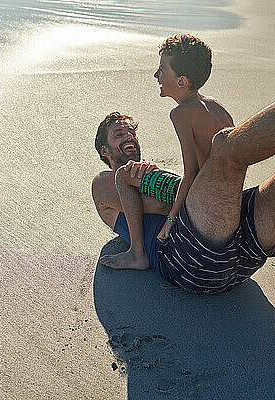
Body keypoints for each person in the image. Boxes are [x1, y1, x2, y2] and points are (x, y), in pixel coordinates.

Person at [91, 0, 275, 346]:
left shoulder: (155, 171)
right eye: (118, 136)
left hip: (239, 248)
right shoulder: (105, 183)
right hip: (189, 258)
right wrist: (148, 183)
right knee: (226, 146)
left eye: (130, 132)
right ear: (105, 152)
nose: (128, 138)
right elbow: (161, 204)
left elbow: (190, 186)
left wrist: (156, 179)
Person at [99, 34, 234, 271]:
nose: (156, 75)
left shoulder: (181, 113)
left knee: (122, 176)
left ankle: (137, 253)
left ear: (181, 81)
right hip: (226, 195)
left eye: (162, 70)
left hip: (199, 197)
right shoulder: (216, 107)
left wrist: (171, 220)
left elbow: (191, 172)